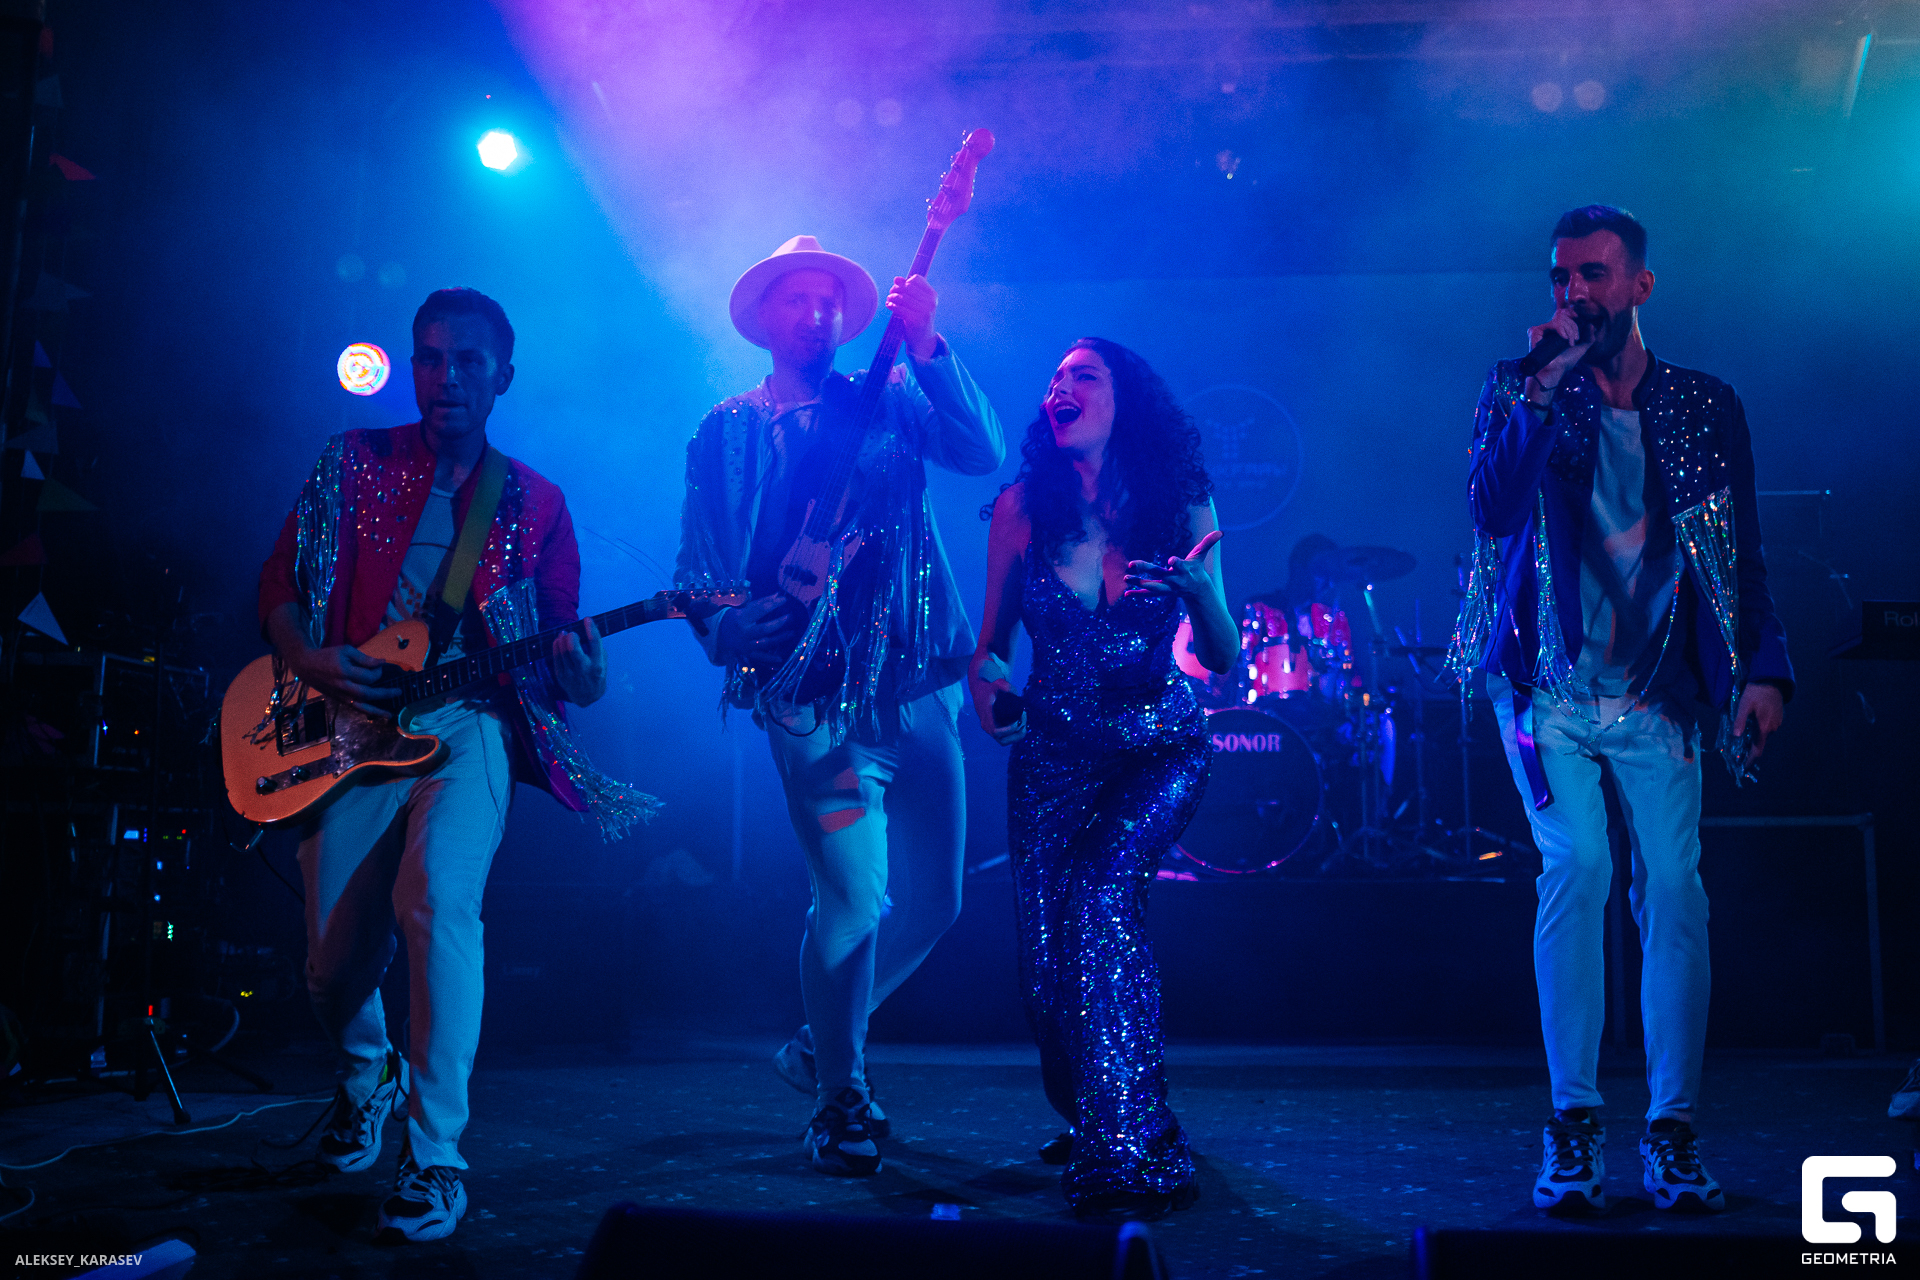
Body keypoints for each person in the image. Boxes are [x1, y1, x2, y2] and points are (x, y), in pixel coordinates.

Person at [258, 287, 653, 1242]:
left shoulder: (537, 502)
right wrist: (309, 657)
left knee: (438, 899)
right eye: (431, 357)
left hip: (470, 721)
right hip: (350, 724)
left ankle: (435, 1157)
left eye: (468, 360)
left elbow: (559, 647)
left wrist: (582, 676)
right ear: (412, 366)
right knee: (329, 970)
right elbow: (278, 584)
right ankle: (370, 1074)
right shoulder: (351, 461)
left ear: (502, 376)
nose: (447, 377)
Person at [1448, 206, 1792, 1213]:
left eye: (1593, 275)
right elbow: (1490, 510)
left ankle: (1673, 1128)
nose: (1574, 294)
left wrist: (1762, 670)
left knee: (1675, 888)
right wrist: (1539, 390)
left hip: (1657, 688)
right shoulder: (1521, 388)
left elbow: (1740, 550)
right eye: (1561, 277)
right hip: (1543, 687)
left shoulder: (1703, 404)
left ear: (1639, 285)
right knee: (1579, 867)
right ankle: (1574, 1121)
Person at [674, 236, 1004, 1176]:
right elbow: (699, 564)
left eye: (829, 301)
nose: (815, 314)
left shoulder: (891, 397)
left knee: (935, 901)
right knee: (855, 895)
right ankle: (840, 1098)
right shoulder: (727, 430)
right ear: (764, 317)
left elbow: (981, 449)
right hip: (811, 706)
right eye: (797, 299)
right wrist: (724, 628)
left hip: (916, 688)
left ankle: (822, 1045)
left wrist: (929, 345)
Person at [969, 337, 1235, 1219]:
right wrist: (990, 692)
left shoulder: (1180, 504)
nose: (1062, 387)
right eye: (1054, 378)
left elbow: (1223, 657)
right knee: (1047, 973)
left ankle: (1130, 1145)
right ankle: (1098, 1108)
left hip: (1158, 746)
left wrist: (1201, 596)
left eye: (1084, 375)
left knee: (1099, 896)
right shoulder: (1021, 508)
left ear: (1128, 403)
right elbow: (989, 651)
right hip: (1052, 760)